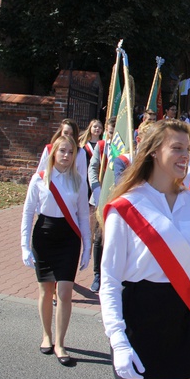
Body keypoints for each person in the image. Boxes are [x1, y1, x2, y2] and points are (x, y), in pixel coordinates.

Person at [99, 119, 190, 379]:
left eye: (189, 149)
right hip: (139, 319)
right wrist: (117, 340)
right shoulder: (126, 206)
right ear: (155, 151)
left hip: (181, 319)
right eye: (177, 148)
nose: (186, 155)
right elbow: (110, 281)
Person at [20, 134, 91, 366]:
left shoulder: (79, 181)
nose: (66, 156)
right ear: (53, 153)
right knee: (45, 290)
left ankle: (60, 342)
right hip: (44, 236)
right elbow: (28, 213)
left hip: (68, 238)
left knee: (65, 292)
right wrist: (24, 246)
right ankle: (46, 336)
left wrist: (87, 247)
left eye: (71, 152)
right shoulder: (39, 179)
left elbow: (82, 215)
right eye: (62, 151)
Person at [87, 117, 116, 293]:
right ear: (107, 130)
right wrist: (96, 189)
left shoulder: (125, 148)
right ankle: (97, 274)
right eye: (111, 132)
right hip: (101, 196)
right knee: (98, 237)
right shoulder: (102, 146)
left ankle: (111, 274)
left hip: (117, 198)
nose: (113, 136)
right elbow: (93, 168)